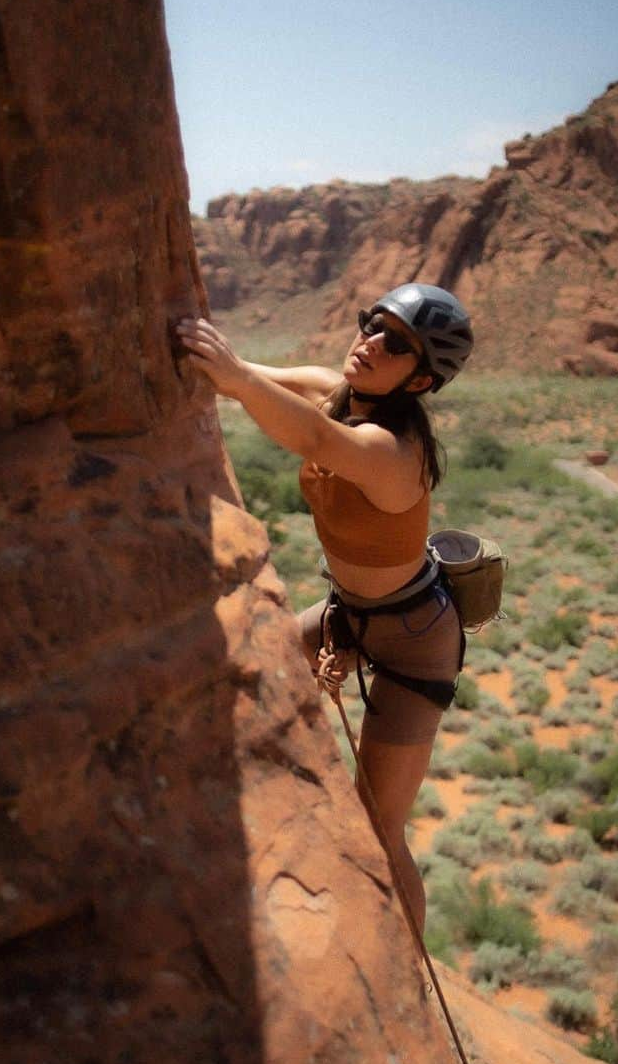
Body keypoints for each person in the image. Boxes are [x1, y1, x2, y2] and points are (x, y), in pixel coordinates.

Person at [177, 283, 474, 931]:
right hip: (350, 612)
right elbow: (251, 376)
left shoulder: (394, 452)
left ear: (420, 377)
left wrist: (235, 378)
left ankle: (413, 977)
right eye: (373, 324)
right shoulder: (335, 391)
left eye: (394, 343)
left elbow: (309, 432)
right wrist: (203, 349)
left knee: (382, 822)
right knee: (244, 676)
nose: (370, 342)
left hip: (414, 636)